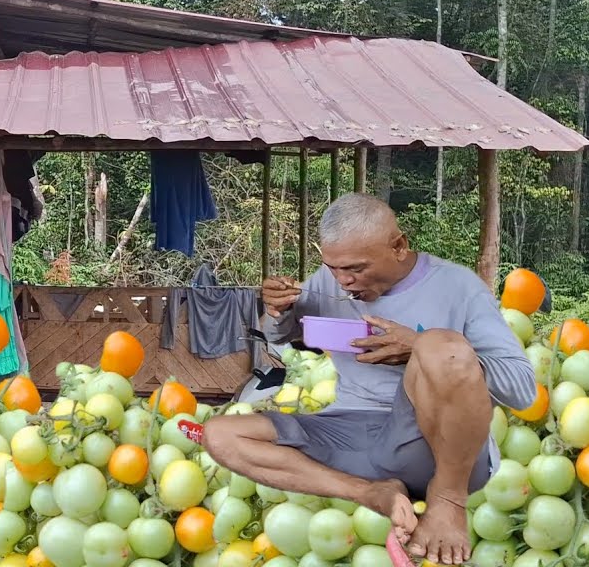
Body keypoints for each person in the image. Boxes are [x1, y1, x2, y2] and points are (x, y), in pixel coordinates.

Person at [202, 193, 536, 566]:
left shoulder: (458, 287)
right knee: (221, 434)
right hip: (350, 432)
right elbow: (280, 333)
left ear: (398, 246)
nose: (344, 282)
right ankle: (372, 493)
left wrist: (418, 349)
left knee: (443, 345)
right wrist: (277, 309)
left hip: (429, 441)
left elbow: (521, 389)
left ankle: (448, 501)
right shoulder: (331, 282)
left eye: (356, 269)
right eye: (333, 268)